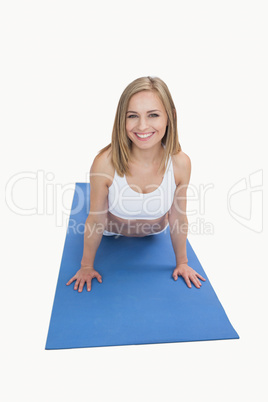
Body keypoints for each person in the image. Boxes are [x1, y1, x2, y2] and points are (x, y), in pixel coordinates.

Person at [66, 76, 206, 292]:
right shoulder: (105, 163)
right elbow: (95, 220)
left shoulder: (180, 163)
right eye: (133, 116)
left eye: (153, 115)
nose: (142, 126)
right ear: (122, 120)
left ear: (170, 117)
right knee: (93, 206)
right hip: (111, 231)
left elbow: (178, 216)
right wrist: (86, 266)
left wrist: (183, 262)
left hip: (152, 233)